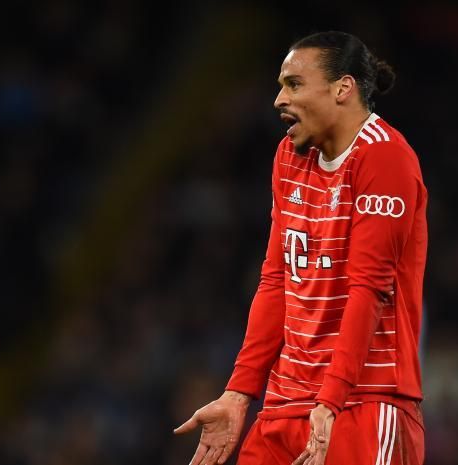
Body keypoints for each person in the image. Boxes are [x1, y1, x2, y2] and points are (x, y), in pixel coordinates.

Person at [175, 31, 427, 465]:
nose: (278, 99)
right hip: (284, 403)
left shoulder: (385, 159)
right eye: (280, 84)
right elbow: (277, 280)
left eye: (293, 84)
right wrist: (239, 394)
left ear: (342, 89)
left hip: (364, 401)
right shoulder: (289, 158)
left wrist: (330, 401)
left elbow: (368, 289)